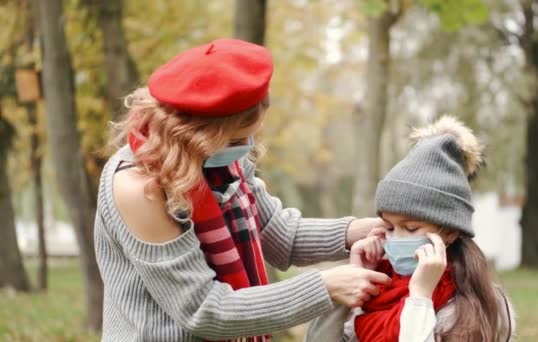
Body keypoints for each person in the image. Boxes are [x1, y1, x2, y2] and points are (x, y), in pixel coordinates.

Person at [94, 38, 392, 342]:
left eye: (250, 136)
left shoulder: (217, 161)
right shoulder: (138, 188)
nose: (246, 149)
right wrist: (324, 287)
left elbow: (279, 236)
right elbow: (204, 310)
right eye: (236, 141)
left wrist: (363, 230)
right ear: (197, 134)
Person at [305, 116, 516, 342]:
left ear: (451, 232)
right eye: (388, 227)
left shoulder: (471, 311)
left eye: (411, 228)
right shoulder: (376, 296)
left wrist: (420, 299)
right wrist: (349, 287)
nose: (395, 239)